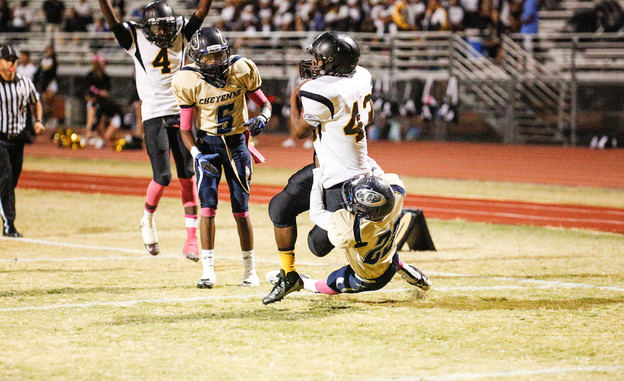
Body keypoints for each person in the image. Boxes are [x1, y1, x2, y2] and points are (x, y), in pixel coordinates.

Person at [82, 0, 226, 262]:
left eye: (167, 27)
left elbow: (201, 12)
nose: (164, 33)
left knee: (188, 175)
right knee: (162, 177)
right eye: (158, 28)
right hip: (154, 114)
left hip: (183, 110)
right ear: (147, 28)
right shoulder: (134, 35)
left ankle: (190, 241)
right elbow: (111, 21)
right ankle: (147, 218)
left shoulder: (179, 31)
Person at [263, 31, 381, 305]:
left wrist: (295, 99)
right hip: (327, 170)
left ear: (334, 63)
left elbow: (299, 132)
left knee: (318, 246)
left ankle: (395, 262)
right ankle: (288, 275)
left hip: (344, 181)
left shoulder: (321, 89)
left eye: (319, 59)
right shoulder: (361, 76)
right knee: (280, 207)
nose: (313, 63)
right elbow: (370, 115)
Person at [172, 27, 272, 288]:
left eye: (220, 55)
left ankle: (250, 271)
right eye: (209, 57)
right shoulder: (188, 80)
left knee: (241, 210)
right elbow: (185, 130)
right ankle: (207, 271)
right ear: (197, 57)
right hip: (208, 146)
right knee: (207, 208)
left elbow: (265, 103)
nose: (216, 62)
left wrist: (264, 116)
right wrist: (196, 155)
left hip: (238, 144)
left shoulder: (241, 69)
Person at [266, 170, 432, 298]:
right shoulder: (395, 194)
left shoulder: (352, 230)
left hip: (368, 278)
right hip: (388, 256)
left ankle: (303, 282)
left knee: (331, 284)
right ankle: (413, 275)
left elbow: (316, 214)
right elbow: (380, 177)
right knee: (388, 260)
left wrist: (318, 174)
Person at [0, 45, 45, 237]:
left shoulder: (24, 82)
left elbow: (36, 101)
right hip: (0, 139)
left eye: (14, 60)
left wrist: (38, 121)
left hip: (18, 140)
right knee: (6, 178)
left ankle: (5, 208)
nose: (11, 63)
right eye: (7, 59)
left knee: (12, 180)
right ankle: (9, 225)